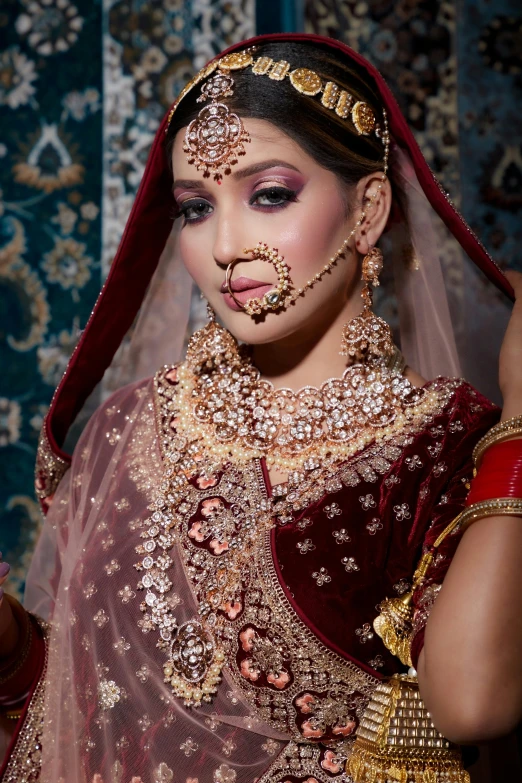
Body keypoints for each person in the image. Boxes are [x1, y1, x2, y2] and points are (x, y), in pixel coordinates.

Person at [0, 33, 521, 783]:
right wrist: (11, 645)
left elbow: (474, 705)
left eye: (270, 194)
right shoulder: (130, 426)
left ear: (367, 209)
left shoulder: (445, 440)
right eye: (195, 208)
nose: (225, 245)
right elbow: (91, 708)